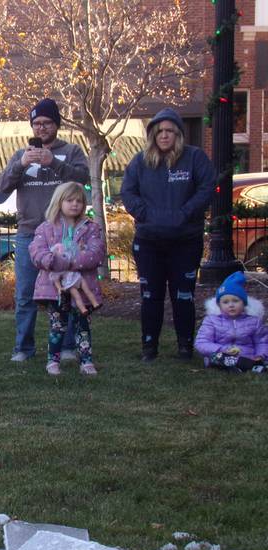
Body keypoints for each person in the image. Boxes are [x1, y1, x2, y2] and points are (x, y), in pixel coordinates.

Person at [0, 98, 90, 362]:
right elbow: (3, 185)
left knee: (68, 290)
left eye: (46, 123)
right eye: (36, 124)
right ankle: (23, 348)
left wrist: (53, 163)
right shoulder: (21, 155)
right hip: (29, 232)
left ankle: (69, 346)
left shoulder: (71, 151)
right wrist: (21, 164)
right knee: (25, 294)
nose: (41, 128)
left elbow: (82, 180)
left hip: (64, 233)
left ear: (56, 124)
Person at [121, 107, 215, 362]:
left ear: (178, 134)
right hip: (149, 241)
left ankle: (185, 346)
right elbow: (128, 193)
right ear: (152, 134)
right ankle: (149, 347)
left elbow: (207, 188)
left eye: (169, 131)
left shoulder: (195, 158)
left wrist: (184, 213)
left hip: (186, 240)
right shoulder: (140, 161)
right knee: (150, 296)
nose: (164, 135)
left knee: (183, 295)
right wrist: (147, 215)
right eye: (159, 131)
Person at [29, 182, 105, 376]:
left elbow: (95, 254)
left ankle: (86, 361)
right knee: (57, 325)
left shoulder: (91, 228)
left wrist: (67, 261)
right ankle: (52, 361)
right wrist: (52, 261)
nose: (75, 204)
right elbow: (37, 252)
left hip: (82, 287)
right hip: (56, 290)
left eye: (79, 201)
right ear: (59, 202)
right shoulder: (46, 228)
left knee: (82, 325)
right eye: (70, 200)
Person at [194, 271, 268, 373]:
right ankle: (252, 367)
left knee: (263, 357)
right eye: (225, 302)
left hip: (248, 356)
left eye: (235, 301)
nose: (231, 305)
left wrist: (260, 355)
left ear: (244, 303)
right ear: (219, 305)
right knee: (217, 358)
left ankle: (250, 365)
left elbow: (261, 342)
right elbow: (201, 343)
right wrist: (223, 349)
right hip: (222, 355)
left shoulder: (254, 322)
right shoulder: (211, 321)